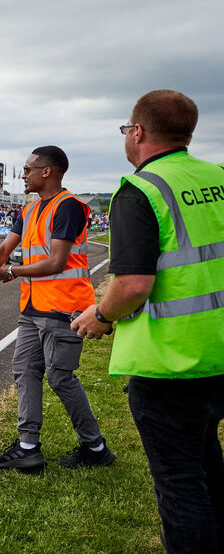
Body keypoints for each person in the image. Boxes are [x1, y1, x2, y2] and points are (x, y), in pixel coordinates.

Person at [71, 90, 224, 552]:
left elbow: (134, 284)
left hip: (171, 361)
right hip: (218, 350)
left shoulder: (141, 189)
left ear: (137, 132)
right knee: (207, 464)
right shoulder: (218, 177)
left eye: (126, 130)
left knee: (180, 485)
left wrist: (100, 315)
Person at [0, 145, 112, 472]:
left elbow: (57, 262)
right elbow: (5, 248)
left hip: (64, 307)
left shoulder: (69, 207)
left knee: (60, 378)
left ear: (47, 171)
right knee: (25, 371)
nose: (23, 174)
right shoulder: (30, 209)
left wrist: (14, 272)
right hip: (33, 309)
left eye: (29, 169)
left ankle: (96, 446)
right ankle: (28, 448)